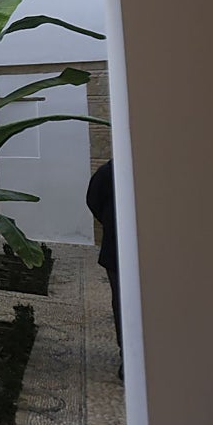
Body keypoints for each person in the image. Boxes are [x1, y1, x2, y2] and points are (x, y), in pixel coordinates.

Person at [86, 158, 122, 380]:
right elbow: (94, 200)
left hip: (115, 246)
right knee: (121, 300)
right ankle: (127, 356)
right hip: (115, 249)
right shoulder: (110, 171)